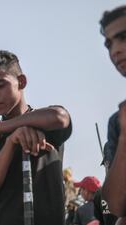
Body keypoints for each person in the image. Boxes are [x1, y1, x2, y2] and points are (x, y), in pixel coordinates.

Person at [0, 50, 72, 225]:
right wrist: (10, 143)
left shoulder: (43, 122)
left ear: (21, 81)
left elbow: (60, 117)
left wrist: (1, 127)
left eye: (0, 85)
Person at [99, 5, 126, 220]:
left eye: (123, 37)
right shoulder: (118, 122)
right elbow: (114, 205)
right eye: (109, 44)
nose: (115, 50)